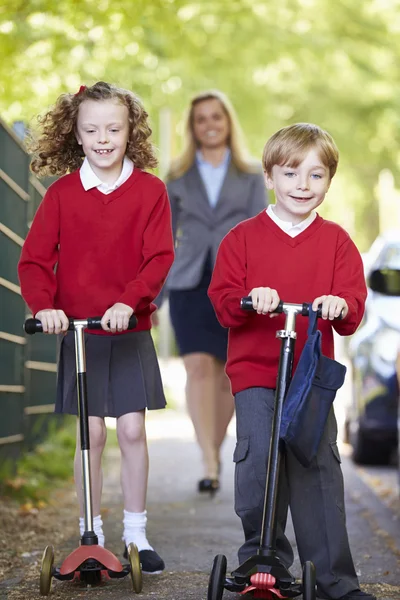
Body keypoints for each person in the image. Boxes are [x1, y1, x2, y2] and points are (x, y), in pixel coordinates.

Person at [208, 123, 376, 600]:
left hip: (309, 376)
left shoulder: (337, 243)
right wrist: (249, 298)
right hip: (257, 371)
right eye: (290, 173)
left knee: (317, 464)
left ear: (328, 182)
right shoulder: (242, 239)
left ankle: (334, 579)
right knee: (257, 458)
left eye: (316, 176)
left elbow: (352, 309)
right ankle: (265, 558)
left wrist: (341, 305)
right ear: (269, 177)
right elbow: (222, 302)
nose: (303, 186)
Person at [18, 81, 174, 574]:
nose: (103, 138)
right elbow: (35, 261)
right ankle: (93, 533)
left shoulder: (150, 190)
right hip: (80, 333)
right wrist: (45, 307)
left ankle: (135, 533)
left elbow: (158, 257)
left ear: (131, 132)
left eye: (113, 128)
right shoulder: (63, 193)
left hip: (125, 332)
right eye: (91, 129)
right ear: (76, 135)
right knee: (91, 433)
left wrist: (130, 302)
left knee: (130, 429)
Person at [156, 90, 268, 494]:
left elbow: (262, 233)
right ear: (193, 127)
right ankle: (207, 459)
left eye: (216, 117)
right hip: (188, 282)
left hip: (236, 283)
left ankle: (216, 450)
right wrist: (154, 297)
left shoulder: (253, 175)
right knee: (197, 367)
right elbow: (164, 241)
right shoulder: (177, 177)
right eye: (201, 119)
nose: (209, 124)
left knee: (225, 376)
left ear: (228, 122)